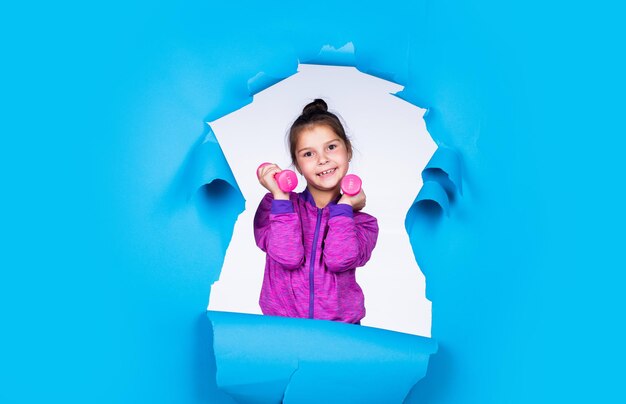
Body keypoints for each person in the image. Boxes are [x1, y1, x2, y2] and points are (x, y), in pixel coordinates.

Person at [254, 99, 379, 324]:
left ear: (348, 151)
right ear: (297, 165)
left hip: (342, 335)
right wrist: (280, 196)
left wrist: (345, 208)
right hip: (281, 331)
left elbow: (338, 260)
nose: (322, 160)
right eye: (308, 154)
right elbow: (287, 256)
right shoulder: (274, 207)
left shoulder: (364, 223)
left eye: (331, 147)